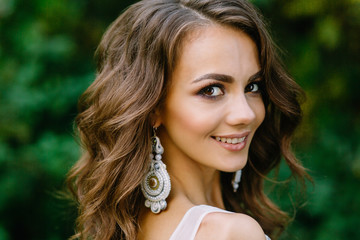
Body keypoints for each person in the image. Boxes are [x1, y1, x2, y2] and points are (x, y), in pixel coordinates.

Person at [67, 0, 310, 239]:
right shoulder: (230, 233)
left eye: (252, 86)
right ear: (153, 108)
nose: (245, 113)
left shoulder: (129, 225)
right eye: (211, 90)